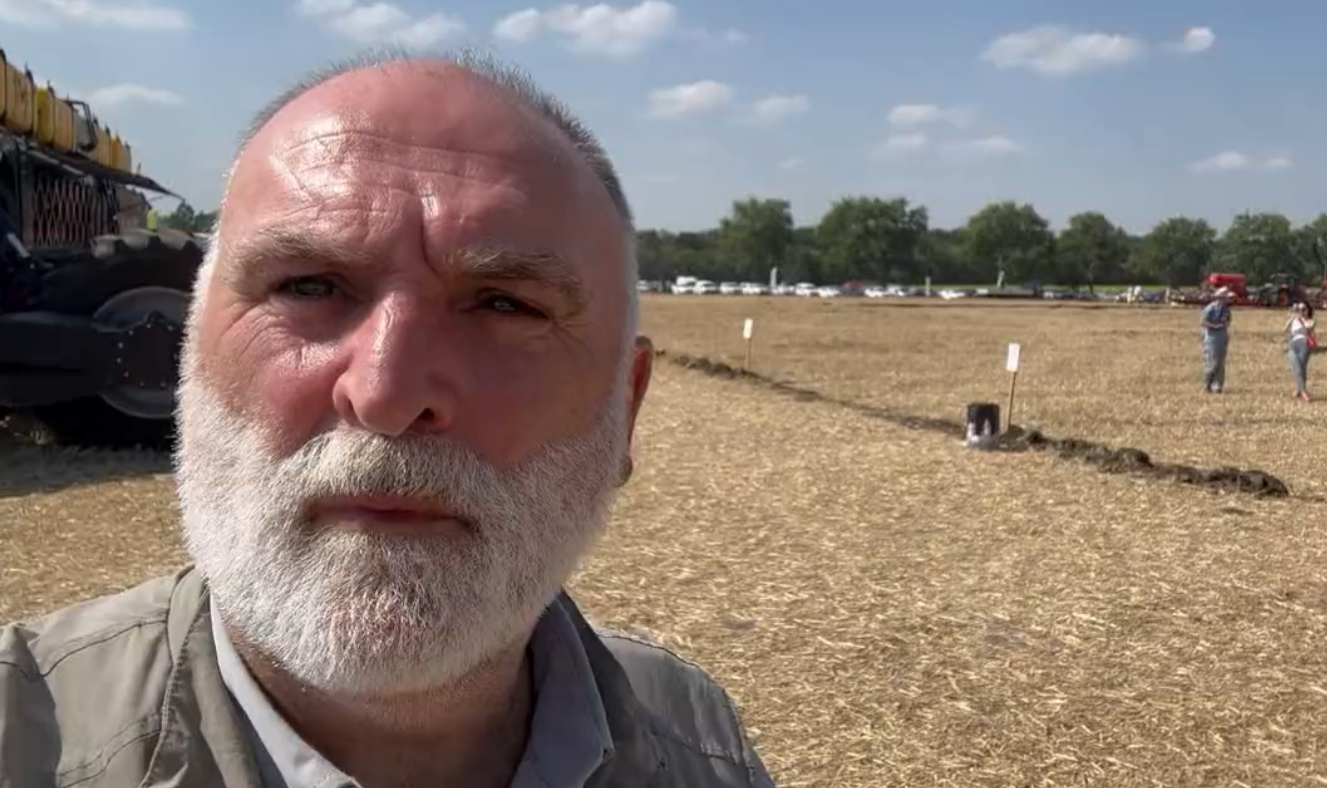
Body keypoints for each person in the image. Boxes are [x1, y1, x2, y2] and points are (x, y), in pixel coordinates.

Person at [0, 50, 775, 788]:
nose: (386, 394)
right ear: (188, 363)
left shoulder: (696, 739)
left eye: (505, 304)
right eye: (308, 287)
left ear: (625, 410)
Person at [1200, 287, 1234, 393]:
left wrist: (1224, 326)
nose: (1228, 300)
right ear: (1220, 298)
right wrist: (1215, 326)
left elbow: (1228, 321)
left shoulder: (1226, 310)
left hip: (1222, 336)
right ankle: (1207, 384)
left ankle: (1218, 386)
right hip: (1211, 337)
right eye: (1226, 297)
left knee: (1221, 362)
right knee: (1212, 362)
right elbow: (1203, 322)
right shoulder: (1209, 308)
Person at [1285, 302, 1318, 402]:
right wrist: (1292, 318)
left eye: (1303, 309)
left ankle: (1300, 390)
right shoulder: (1294, 320)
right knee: (1296, 366)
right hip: (1293, 345)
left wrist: (1300, 319)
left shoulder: (1311, 321)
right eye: (1299, 309)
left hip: (1304, 345)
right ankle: (1303, 391)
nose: (1301, 311)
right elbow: (1285, 329)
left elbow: (1308, 329)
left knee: (1301, 368)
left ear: (1308, 310)